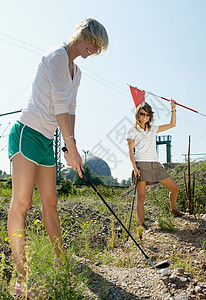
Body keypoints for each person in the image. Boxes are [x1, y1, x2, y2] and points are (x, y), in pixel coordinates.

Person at [7, 18, 108, 285]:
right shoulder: (55, 57)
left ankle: (61, 260)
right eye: (95, 44)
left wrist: (67, 147)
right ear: (84, 36)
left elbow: (71, 108)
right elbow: (59, 103)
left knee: (50, 202)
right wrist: (72, 147)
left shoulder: (77, 72)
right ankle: (22, 277)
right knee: (22, 204)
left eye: (99, 49)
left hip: (46, 139)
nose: (95, 51)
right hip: (27, 134)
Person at [127, 100, 184, 229]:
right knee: (141, 197)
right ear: (138, 115)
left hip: (155, 164)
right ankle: (142, 225)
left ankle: (173, 210)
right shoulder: (132, 130)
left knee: (174, 188)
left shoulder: (153, 129)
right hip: (141, 164)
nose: (145, 117)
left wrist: (173, 108)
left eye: (147, 114)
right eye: (142, 114)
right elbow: (130, 151)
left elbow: (172, 124)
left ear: (150, 116)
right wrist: (134, 167)